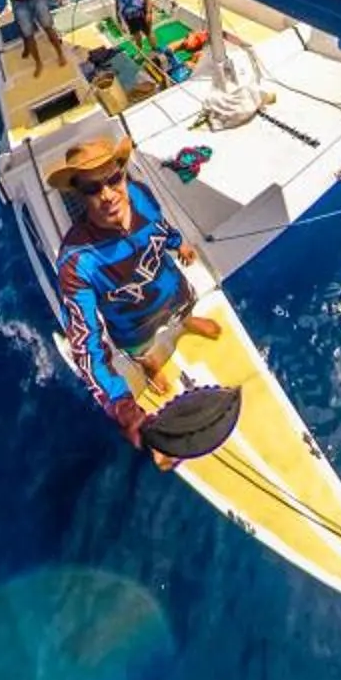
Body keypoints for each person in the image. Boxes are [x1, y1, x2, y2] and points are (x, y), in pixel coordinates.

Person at [47, 136, 222, 464]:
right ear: (79, 194)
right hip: (133, 327)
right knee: (142, 352)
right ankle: (149, 364)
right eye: (92, 189)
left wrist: (178, 243)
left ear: (122, 173)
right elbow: (86, 349)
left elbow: (161, 223)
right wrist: (122, 406)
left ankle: (185, 323)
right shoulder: (77, 263)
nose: (108, 194)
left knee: (186, 308)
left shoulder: (140, 193)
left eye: (113, 179)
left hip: (174, 291)